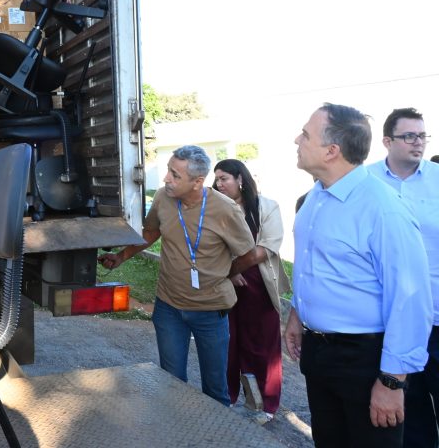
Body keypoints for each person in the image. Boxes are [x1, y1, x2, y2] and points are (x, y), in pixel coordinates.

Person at [284, 103, 432, 448]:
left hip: (365, 360)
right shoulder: (315, 198)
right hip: (320, 354)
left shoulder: (383, 208)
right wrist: (297, 314)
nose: (297, 140)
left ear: (332, 151)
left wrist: (392, 383)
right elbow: (313, 266)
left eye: (305, 135)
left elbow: (410, 301)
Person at [99, 145, 256, 406]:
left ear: (197, 182)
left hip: (210, 310)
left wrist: (224, 275)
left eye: (175, 175)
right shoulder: (163, 198)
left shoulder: (225, 209)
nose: (166, 179)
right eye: (169, 171)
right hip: (169, 308)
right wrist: (121, 257)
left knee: (215, 391)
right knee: (171, 383)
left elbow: (248, 254)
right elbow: (151, 233)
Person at [368, 107, 439, 448]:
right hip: (391, 324)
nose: (419, 143)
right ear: (387, 141)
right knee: (408, 420)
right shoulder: (366, 184)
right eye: (409, 136)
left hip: (438, 320)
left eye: (422, 136)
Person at [213, 159, 289, 423]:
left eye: (225, 178)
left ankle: (267, 405)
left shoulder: (266, 206)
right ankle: (230, 397)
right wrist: (228, 274)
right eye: (217, 179)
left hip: (258, 284)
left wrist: (233, 269)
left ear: (240, 179)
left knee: (263, 345)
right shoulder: (214, 207)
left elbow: (265, 249)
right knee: (230, 343)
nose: (219, 184)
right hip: (226, 286)